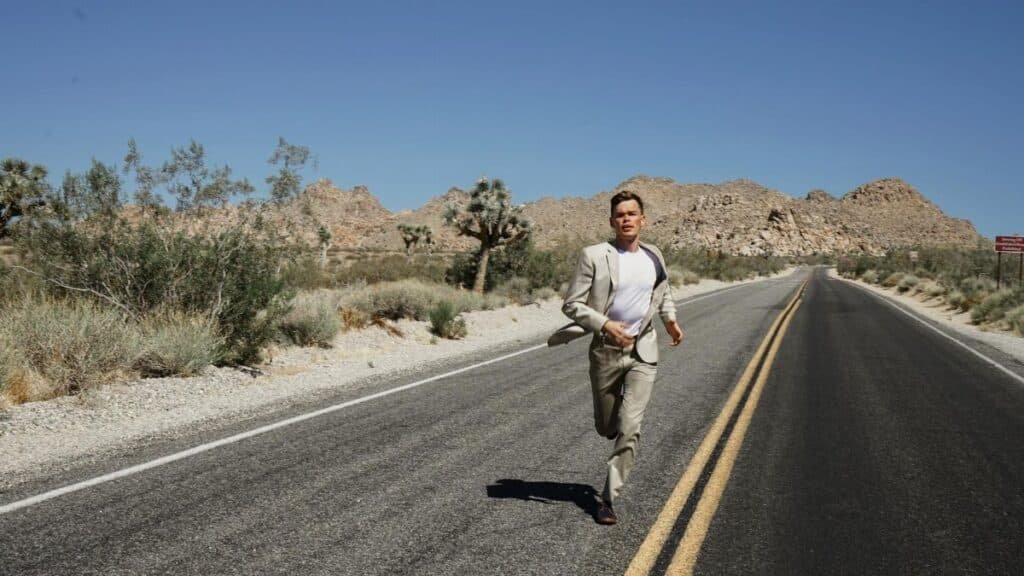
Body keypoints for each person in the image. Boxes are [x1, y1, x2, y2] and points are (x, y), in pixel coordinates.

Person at [550, 189, 684, 525]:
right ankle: (611, 421)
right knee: (607, 425)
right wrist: (605, 324)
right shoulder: (595, 256)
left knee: (630, 427)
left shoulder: (654, 255)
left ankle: (607, 499)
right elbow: (572, 305)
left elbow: (663, 289)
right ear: (612, 221)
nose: (626, 219)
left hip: (643, 350)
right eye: (620, 214)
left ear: (643, 219)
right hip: (606, 352)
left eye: (632, 213)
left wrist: (670, 320)